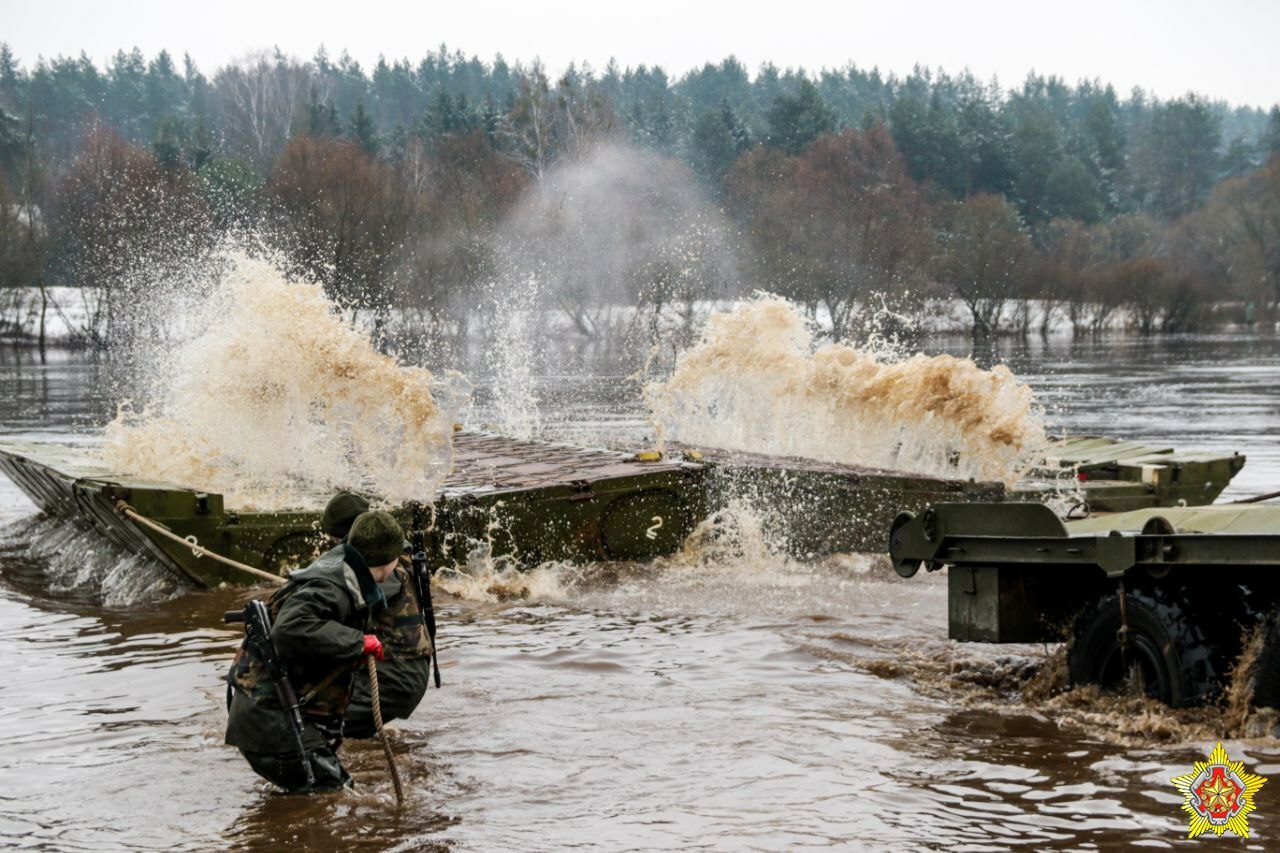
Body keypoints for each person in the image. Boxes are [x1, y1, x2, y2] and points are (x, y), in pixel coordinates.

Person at [224, 510, 405, 792]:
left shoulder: (342, 569)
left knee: (317, 801)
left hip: (264, 717)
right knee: (334, 796)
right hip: (268, 722)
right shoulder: (331, 587)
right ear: (388, 559)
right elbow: (289, 629)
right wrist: (358, 642)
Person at [318, 492, 435, 739]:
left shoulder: (383, 565)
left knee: (315, 720)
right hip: (401, 666)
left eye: (337, 539)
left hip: (398, 671)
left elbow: (357, 600)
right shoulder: (392, 552)